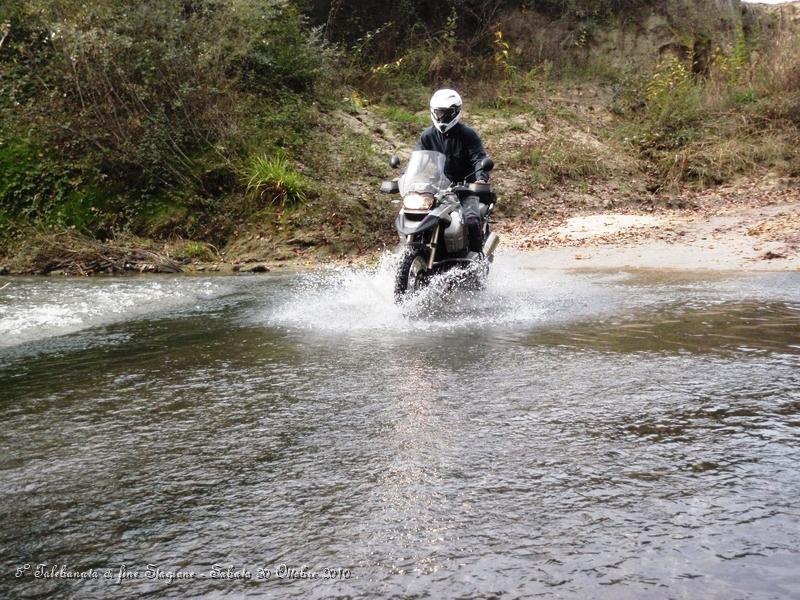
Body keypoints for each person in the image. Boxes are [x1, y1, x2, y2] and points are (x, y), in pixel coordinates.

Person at [415, 88, 489, 254]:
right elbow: (417, 160)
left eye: (446, 113)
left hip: (465, 188)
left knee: (471, 220)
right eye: (438, 113)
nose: (442, 117)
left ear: (455, 112)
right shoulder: (427, 136)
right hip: (438, 189)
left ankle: (478, 259)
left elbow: (479, 158)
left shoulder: (468, 135)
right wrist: (404, 179)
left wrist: (481, 179)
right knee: (417, 215)